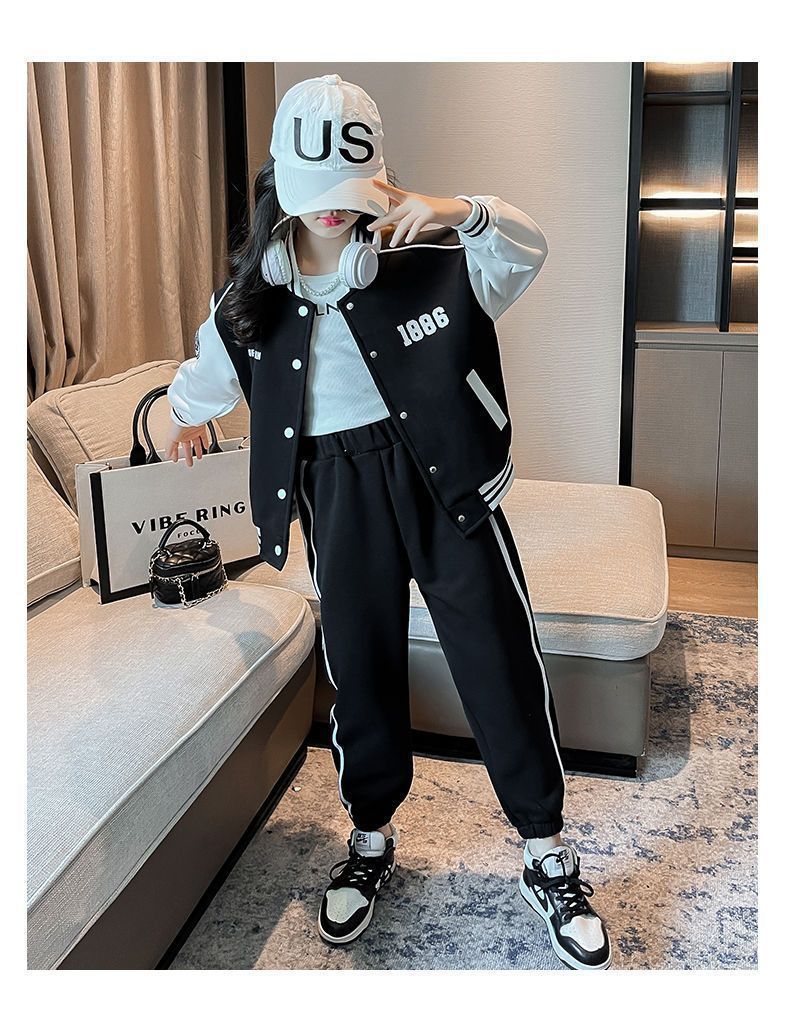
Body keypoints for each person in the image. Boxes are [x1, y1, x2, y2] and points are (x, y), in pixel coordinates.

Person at [164, 73, 611, 971]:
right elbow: (206, 373)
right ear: (281, 181)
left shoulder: (433, 257)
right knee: (360, 667)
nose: (332, 211)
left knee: (496, 655)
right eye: (314, 192)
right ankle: (370, 838)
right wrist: (183, 414)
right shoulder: (251, 296)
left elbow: (528, 248)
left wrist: (463, 212)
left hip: (444, 480)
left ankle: (546, 850)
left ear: (379, 175)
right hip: (336, 491)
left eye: (349, 191)